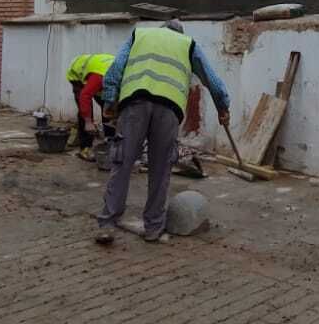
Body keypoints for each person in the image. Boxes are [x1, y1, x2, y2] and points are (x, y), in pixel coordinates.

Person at [95, 20, 230, 244]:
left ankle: (108, 224)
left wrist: (110, 100)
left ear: (161, 30)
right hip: (168, 109)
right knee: (160, 168)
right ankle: (153, 228)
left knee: (122, 163)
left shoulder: (140, 35)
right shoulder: (188, 44)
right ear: (179, 33)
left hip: (134, 103)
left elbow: (116, 69)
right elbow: (211, 79)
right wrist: (223, 107)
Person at [66, 53, 115, 159]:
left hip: (97, 69)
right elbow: (85, 95)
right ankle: (85, 148)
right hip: (77, 73)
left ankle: (109, 143)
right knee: (86, 111)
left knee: (108, 109)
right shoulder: (100, 77)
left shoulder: (122, 77)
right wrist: (88, 122)